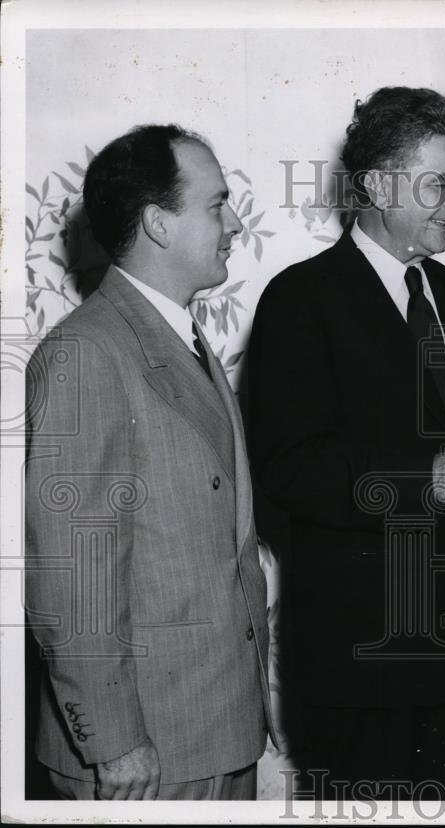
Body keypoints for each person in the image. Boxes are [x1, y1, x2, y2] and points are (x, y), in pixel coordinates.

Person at [246, 86, 445, 801]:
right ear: (374, 185)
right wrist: (422, 480)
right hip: (363, 655)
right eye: (439, 183)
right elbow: (290, 468)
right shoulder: (299, 299)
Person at [24, 124, 272, 800]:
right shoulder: (88, 353)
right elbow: (73, 572)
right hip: (144, 755)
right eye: (217, 204)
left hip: (211, 730)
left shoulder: (177, 337)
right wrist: (113, 740)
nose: (235, 223)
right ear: (159, 224)